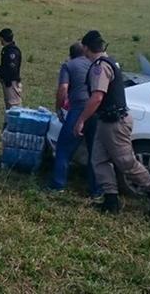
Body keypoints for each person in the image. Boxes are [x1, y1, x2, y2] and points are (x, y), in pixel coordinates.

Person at [74, 30, 150, 216]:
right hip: (107, 120)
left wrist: (81, 120)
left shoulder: (99, 67)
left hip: (114, 123)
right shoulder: (110, 62)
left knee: (126, 162)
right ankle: (111, 201)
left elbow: (97, 97)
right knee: (98, 160)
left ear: (86, 47)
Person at [47, 42, 99, 196]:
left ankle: (58, 184)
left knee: (63, 148)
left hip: (78, 109)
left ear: (71, 54)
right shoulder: (93, 63)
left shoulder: (68, 65)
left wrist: (58, 107)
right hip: (95, 110)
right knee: (94, 152)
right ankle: (96, 190)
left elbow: (63, 88)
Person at [0, 28, 22, 109]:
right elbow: (5, 65)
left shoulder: (12, 52)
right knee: (9, 106)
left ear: (2, 39)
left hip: (11, 83)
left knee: (14, 107)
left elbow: (11, 69)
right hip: (8, 83)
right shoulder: (7, 50)